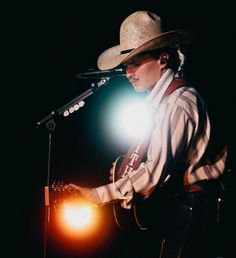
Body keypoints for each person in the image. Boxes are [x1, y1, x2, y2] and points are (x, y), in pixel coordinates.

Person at [64, 10, 228, 257]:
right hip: (183, 206)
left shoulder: (178, 103)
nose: (128, 72)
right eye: (126, 64)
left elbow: (154, 172)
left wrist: (96, 195)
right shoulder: (163, 102)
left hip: (195, 208)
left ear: (163, 59)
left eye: (136, 62)